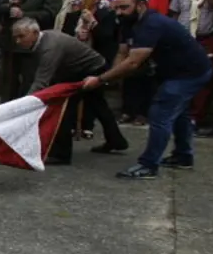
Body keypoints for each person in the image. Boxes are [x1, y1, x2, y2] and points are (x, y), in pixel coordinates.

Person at [83, 0, 213, 179]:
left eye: (124, 7)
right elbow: (122, 53)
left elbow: (133, 62)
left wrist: (100, 79)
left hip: (191, 72)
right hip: (174, 71)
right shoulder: (128, 22)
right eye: (116, 8)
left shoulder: (152, 23)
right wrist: (109, 76)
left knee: (160, 112)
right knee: (180, 112)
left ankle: (148, 165)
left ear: (141, 5)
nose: (119, 12)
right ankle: (183, 157)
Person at [12, 19, 127, 165]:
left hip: (90, 69)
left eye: (21, 36)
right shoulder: (41, 41)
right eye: (15, 37)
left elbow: (41, 81)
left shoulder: (49, 47)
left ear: (35, 33)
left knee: (64, 110)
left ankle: (61, 154)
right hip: (82, 68)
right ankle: (116, 140)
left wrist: (24, 104)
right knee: (99, 106)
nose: (18, 41)